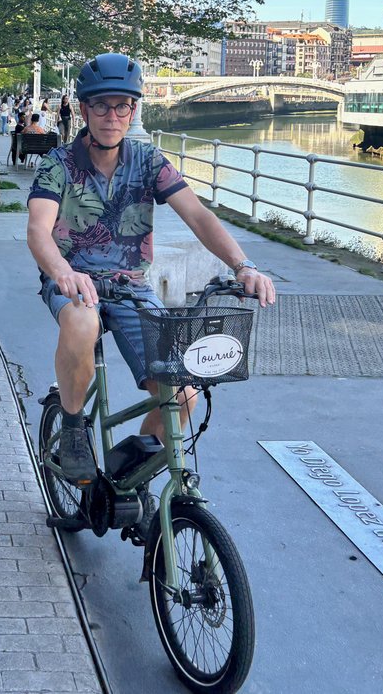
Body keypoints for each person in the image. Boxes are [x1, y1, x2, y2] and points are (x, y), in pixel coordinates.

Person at [26, 53, 275, 483]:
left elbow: (199, 216)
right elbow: (38, 230)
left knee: (183, 394)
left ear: (133, 110)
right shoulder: (59, 163)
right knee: (83, 325)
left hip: (131, 285)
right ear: (84, 110)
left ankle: (129, 477)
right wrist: (62, 270)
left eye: (122, 105)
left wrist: (243, 265)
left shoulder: (149, 161)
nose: (111, 115)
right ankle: (71, 427)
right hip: (74, 282)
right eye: (100, 106)